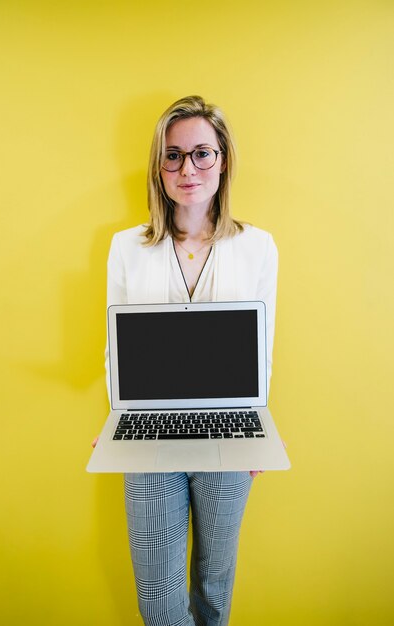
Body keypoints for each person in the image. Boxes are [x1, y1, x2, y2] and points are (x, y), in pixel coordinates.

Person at [94, 95, 278, 626]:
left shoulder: (258, 246)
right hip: (149, 430)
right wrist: (119, 417)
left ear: (223, 159)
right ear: (159, 166)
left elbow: (262, 346)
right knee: (158, 592)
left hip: (229, 432)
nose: (188, 168)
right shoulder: (127, 246)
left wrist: (258, 423)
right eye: (173, 155)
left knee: (214, 583)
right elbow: (117, 347)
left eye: (202, 153)